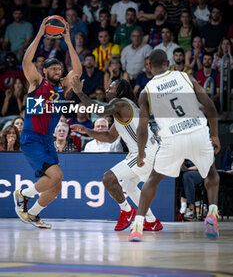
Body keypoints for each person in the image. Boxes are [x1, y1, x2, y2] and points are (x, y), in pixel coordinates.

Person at [128, 49, 220, 241]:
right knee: (211, 172)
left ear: (149, 66)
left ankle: (137, 224)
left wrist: (141, 152)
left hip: (172, 139)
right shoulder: (185, 77)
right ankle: (212, 212)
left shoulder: (147, 91)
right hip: (197, 132)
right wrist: (215, 135)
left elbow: (143, 128)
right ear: (168, 62)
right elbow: (210, 105)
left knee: (153, 179)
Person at [13, 16, 82, 229]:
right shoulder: (36, 83)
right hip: (32, 138)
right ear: (45, 71)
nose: (58, 71)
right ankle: (22, 195)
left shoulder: (62, 87)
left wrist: (69, 41)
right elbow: (26, 61)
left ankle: (33, 214)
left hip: (46, 140)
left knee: (56, 186)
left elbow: (77, 72)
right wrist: (40, 34)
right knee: (56, 175)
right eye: (54, 69)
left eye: (60, 69)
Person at [70, 77, 163, 232]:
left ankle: (126, 211)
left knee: (108, 178)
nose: (107, 90)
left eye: (111, 88)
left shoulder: (121, 103)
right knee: (129, 185)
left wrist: (80, 93)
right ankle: (152, 221)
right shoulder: (123, 110)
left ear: (120, 91)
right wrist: (87, 131)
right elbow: (109, 137)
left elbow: (101, 110)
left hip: (145, 152)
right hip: (147, 151)